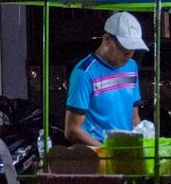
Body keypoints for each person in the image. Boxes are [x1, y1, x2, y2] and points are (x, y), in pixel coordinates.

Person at [64, 12, 149, 147]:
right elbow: (72, 130)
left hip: (125, 150)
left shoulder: (131, 67)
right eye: (123, 48)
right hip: (96, 152)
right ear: (107, 39)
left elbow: (134, 118)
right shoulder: (84, 73)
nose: (128, 54)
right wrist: (107, 151)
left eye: (132, 49)